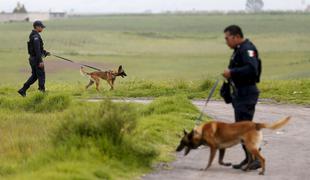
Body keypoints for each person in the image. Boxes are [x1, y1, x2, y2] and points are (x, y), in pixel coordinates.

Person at [222, 25, 262, 170]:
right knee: (241, 129)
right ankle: (249, 158)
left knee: (245, 130)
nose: (226, 41)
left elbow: (252, 69)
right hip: (240, 94)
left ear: (236, 36)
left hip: (247, 94)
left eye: (227, 38)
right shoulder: (239, 50)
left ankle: (256, 158)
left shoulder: (247, 49)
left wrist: (232, 72)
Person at [18, 20, 50, 97]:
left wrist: (45, 52)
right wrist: (40, 61)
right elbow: (37, 50)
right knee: (41, 75)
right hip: (36, 59)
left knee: (35, 76)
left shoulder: (33, 35)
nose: (42, 28)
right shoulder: (35, 37)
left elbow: (37, 49)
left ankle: (23, 89)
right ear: (37, 27)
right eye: (41, 27)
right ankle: (42, 91)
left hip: (33, 59)